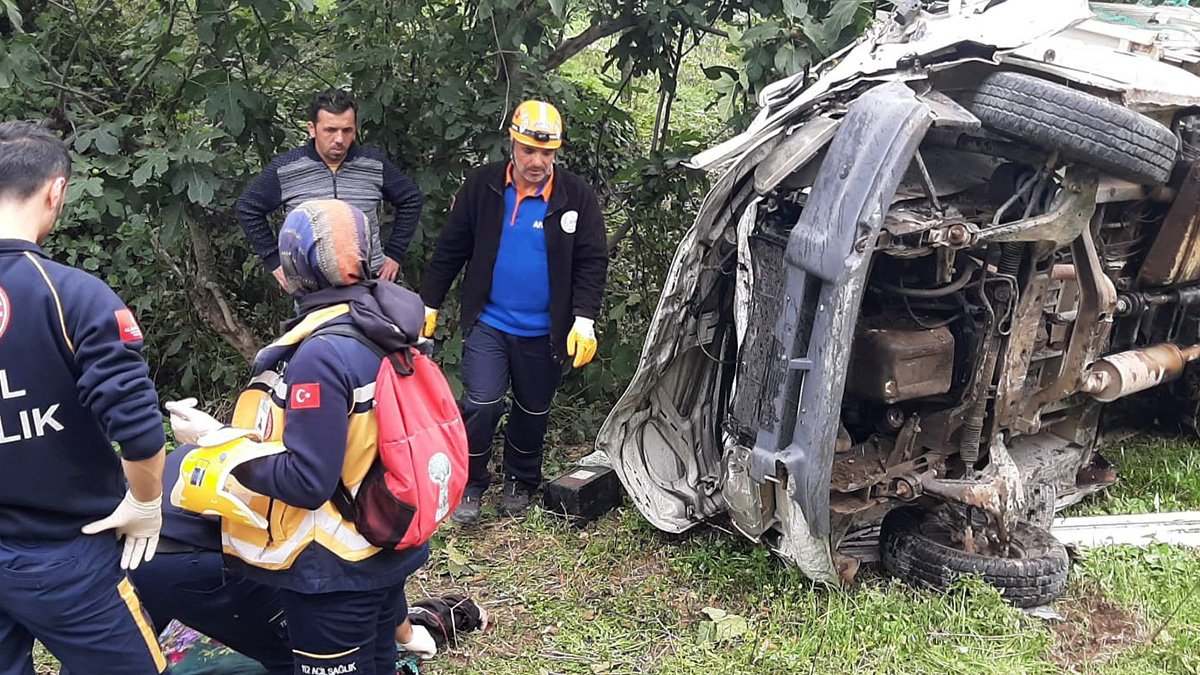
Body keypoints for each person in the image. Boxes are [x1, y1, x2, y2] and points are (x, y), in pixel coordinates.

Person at [167, 199, 431, 675]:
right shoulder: (390, 326)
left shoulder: (321, 355)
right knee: (379, 660)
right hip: (387, 540)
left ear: (294, 270)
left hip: (334, 568)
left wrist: (217, 443)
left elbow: (308, 480)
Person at [0, 121, 167, 673]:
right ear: (56, 191)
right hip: (65, 555)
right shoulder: (72, 296)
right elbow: (139, 430)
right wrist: (144, 503)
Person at [418, 100, 608, 525]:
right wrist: (429, 302)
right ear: (513, 144)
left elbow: (592, 260)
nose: (538, 161)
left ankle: (521, 480)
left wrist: (584, 318)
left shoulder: (574, 195)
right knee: (481, 403)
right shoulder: (483, 187)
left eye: (547, 153)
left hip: (546, 329)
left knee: (532, 409)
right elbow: (452, 248)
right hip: (490, 320)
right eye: (529, 151)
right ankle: (470, 481)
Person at [235, 88, 424, 288]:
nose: (340, 139)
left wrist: (394, 254)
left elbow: (411, 199)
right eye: (330, 130)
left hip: (370, 283)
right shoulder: (287, 168)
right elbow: (247, 208)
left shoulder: (373, 164)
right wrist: (274, 260)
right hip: (311, 289)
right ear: (312, 128)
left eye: (347, 130)